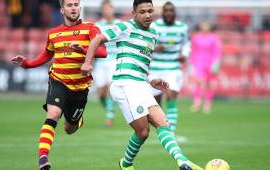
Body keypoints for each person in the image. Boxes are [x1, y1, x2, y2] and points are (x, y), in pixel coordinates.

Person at [81, 0, 203, 170]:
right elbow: (97, 39)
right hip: (124, 85)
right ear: (134, 13)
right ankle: (126, 164)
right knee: (143, 132)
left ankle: (182, 162)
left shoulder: (153, 33)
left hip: (141, 85)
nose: (147, 15)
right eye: (142, 11)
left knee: (163, 124)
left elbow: (143, 65)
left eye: (150, 11)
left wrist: (152, 79)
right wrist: (88, 62)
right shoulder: (125, 27)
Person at [10, 0, 107, 169]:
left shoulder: (91, 29)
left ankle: (76, 121)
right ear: (62, 10)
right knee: (53, 114)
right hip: (59, 80)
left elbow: (103, 52)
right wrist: (27, 64)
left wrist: (82, 51)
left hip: (80, 87)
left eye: (76, 4)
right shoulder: (54, 33)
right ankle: (43, 158)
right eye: (70, 5)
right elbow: (46, 55)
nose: (74, 8)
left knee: (69, 128)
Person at [149, 1, 190, 134]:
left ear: (174, 13)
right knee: (156, 101)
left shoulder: (182, 27)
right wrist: (155, 48)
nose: (168, 13)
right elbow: (147, 43)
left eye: (171, 11)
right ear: (162, 13)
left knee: (171, 95)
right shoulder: (155, 26)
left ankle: (170, 130)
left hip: (173, 68)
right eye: (166, 11)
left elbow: (187, 43)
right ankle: (162, 126)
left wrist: (184, 54)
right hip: (156, 68)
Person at [93, 0, 121, 127]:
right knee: (100, 94)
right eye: (104, 9)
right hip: (101, 61)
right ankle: (109, 108)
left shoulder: (120, 24)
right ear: (102, 11)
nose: (107, 11)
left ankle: (110, 115)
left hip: (115, 59)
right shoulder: (97, 26)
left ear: (112, 9)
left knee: (111, 87)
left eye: (109, 8)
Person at [189, 21, 222, 113]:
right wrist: (191, 63)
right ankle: (197, 103)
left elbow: (217, 51)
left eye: (206, 26)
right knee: (197, 82)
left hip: (210, 62)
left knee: (209, 84)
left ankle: (207, 104)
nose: (204, 28)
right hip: (198, 62)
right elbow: (192, 50)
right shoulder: (196, 37)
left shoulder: (214, 38)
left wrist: (216, 63)